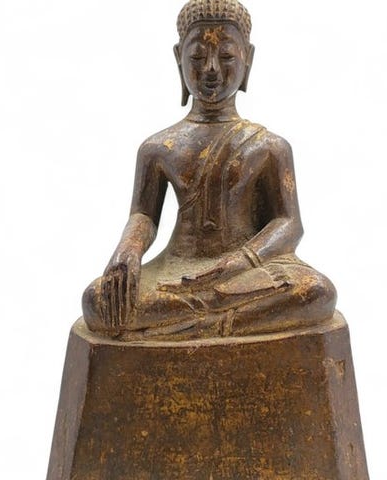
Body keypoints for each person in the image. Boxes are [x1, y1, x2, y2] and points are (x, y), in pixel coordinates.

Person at [82, 0, 337, 340]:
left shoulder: (269, 146)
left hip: (246, 273)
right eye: (198, 57)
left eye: (227, 56)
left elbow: (289, 225)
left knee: (317, 292)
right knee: (98, 300)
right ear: (179, 59)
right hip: (179, 273)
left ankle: (200, 325)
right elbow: (144, 216)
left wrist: (239, 263)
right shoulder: (158, 147)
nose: (212, 69)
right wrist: (127, 251)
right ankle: (215, 318)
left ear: (248, 59)